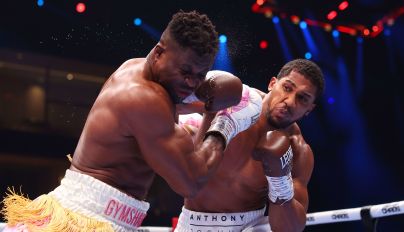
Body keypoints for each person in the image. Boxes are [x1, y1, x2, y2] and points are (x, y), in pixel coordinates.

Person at [1, 11, 262, 232]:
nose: (192, 82)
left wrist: (243, 98)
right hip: (87, 220)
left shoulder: (144, 72)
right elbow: (191, 182)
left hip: (102, 215)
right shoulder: (143, 98)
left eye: (200, 74)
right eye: (185, 72)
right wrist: (225, 125)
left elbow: (203, 96)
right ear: (159, 53)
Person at [176, 59, 325, 232]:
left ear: (309, 109)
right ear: (272, 84)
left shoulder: (298, 151)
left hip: (249, 226)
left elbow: (291, 228)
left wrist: (280, 180)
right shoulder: (235, 100)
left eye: (302, 98)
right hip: (192, 222)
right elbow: (174, 104)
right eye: (287, 88)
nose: (290, 101)